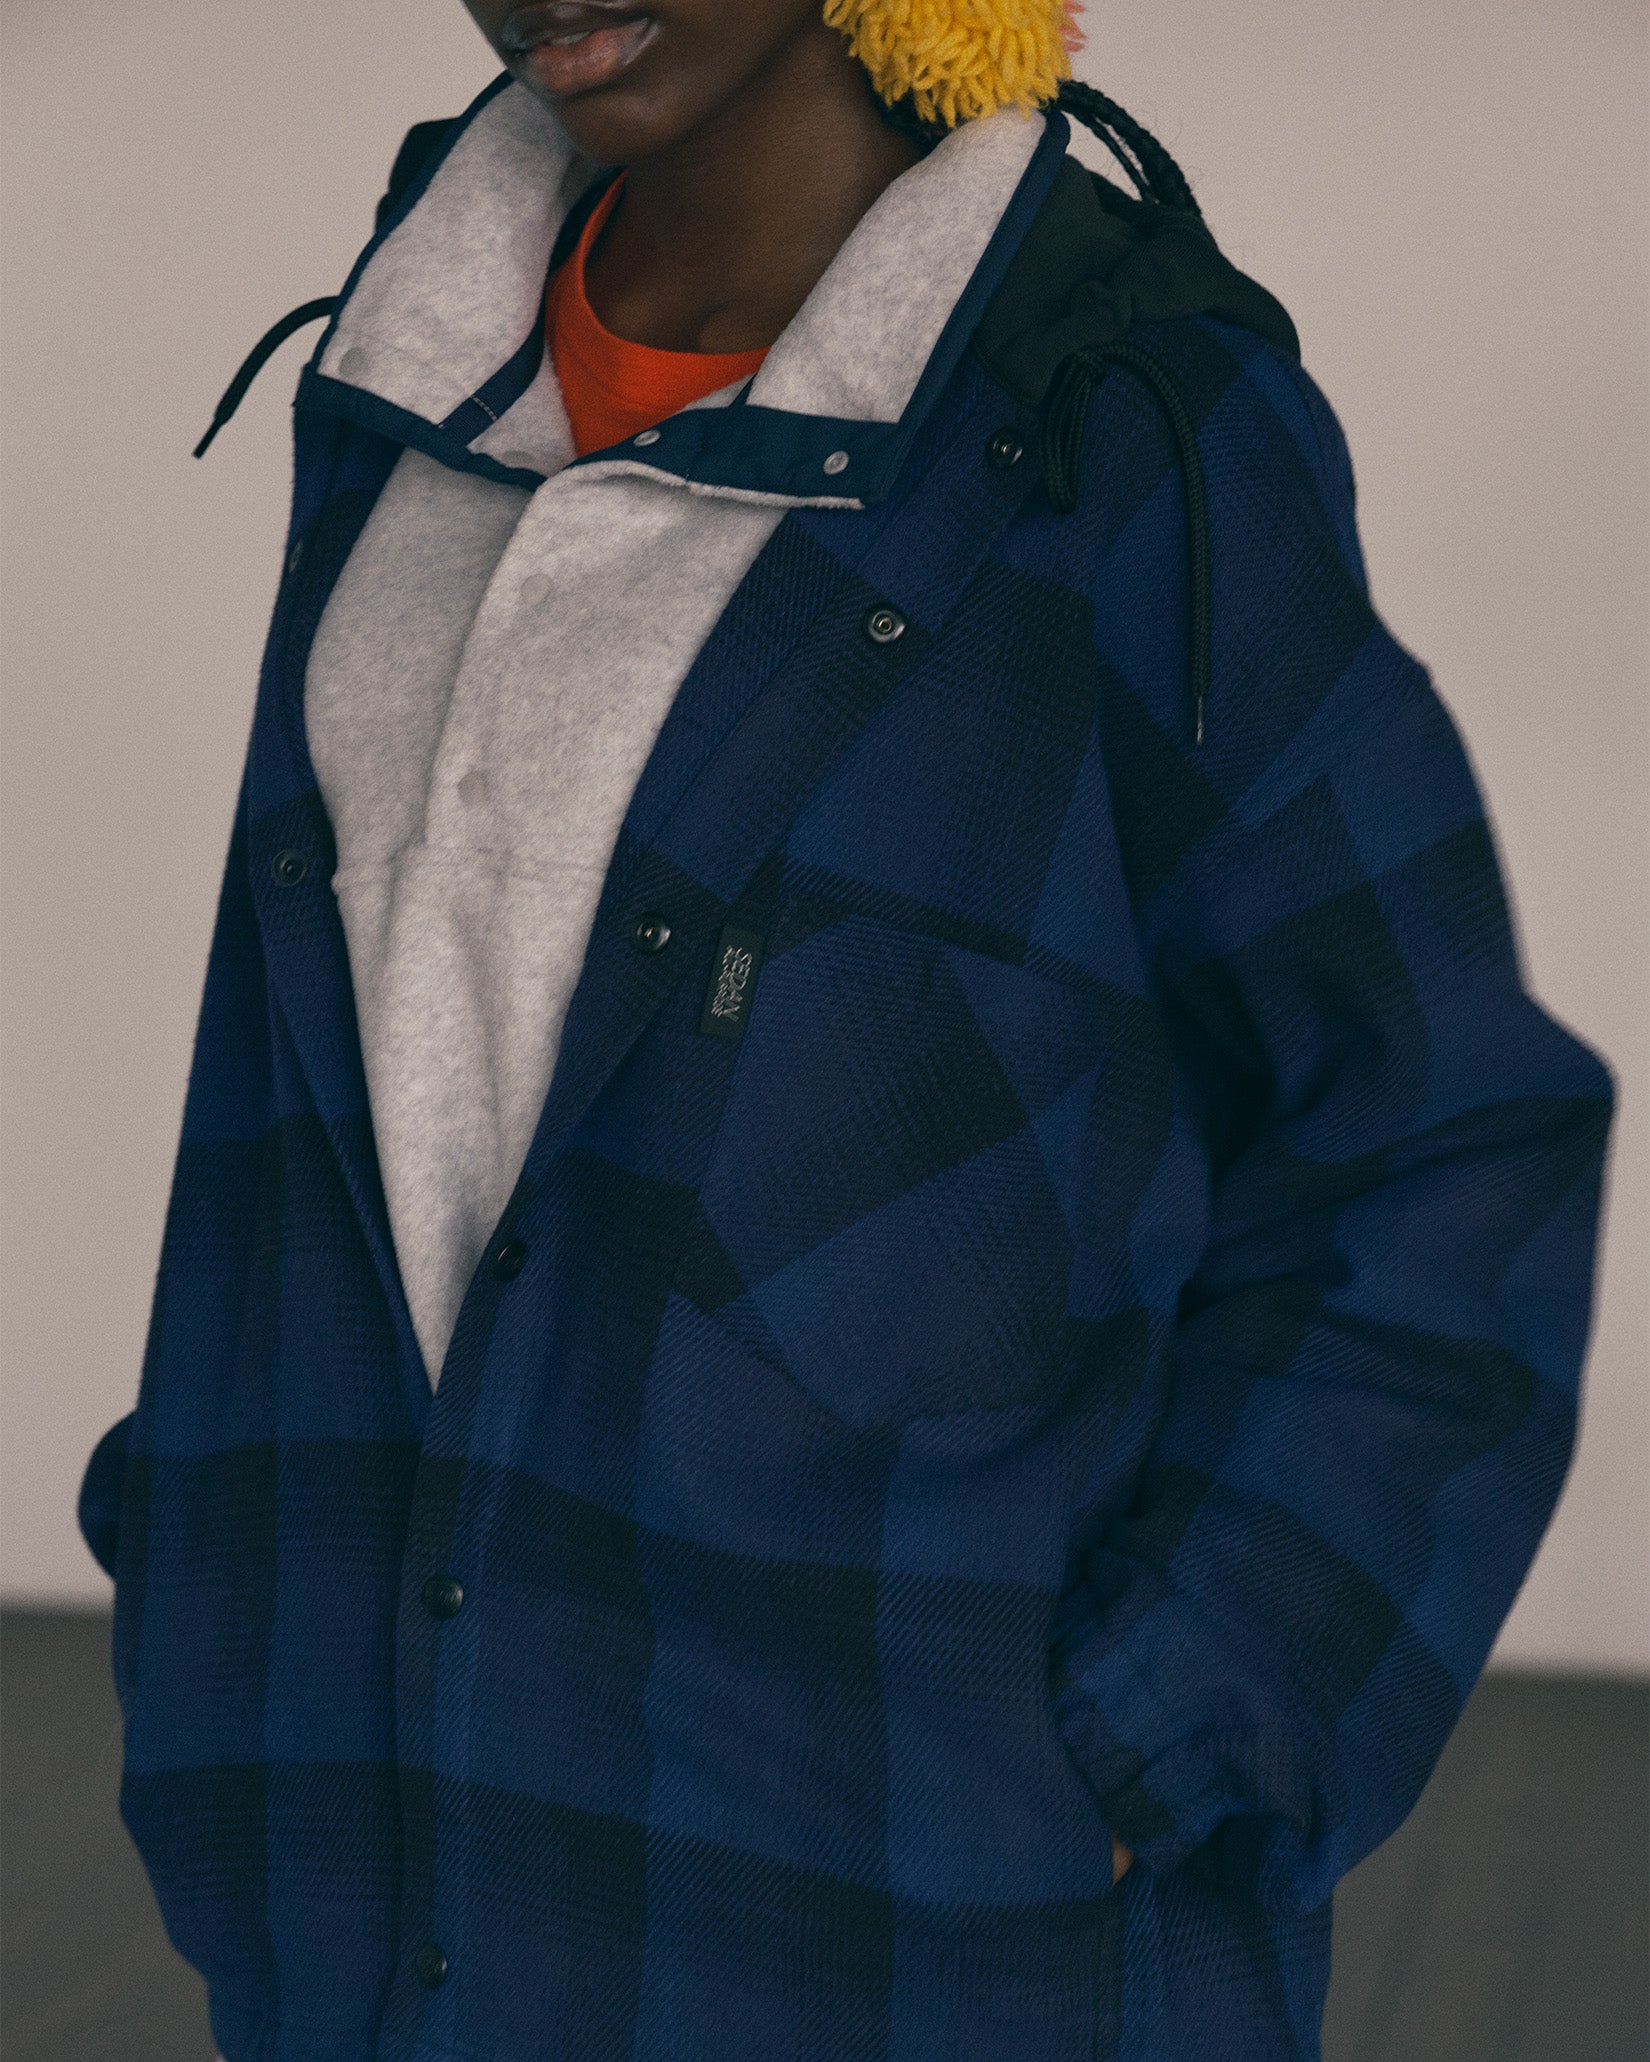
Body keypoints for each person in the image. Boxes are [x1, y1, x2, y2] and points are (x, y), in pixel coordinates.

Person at [78, 1, 1614, 2056]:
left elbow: (1438, 1132)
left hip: (913, 1923)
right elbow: (324, 1071)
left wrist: (1173, 1729)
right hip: (381, 1898)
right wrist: (206, 1584)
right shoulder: (412, 366)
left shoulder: (1120, 416)